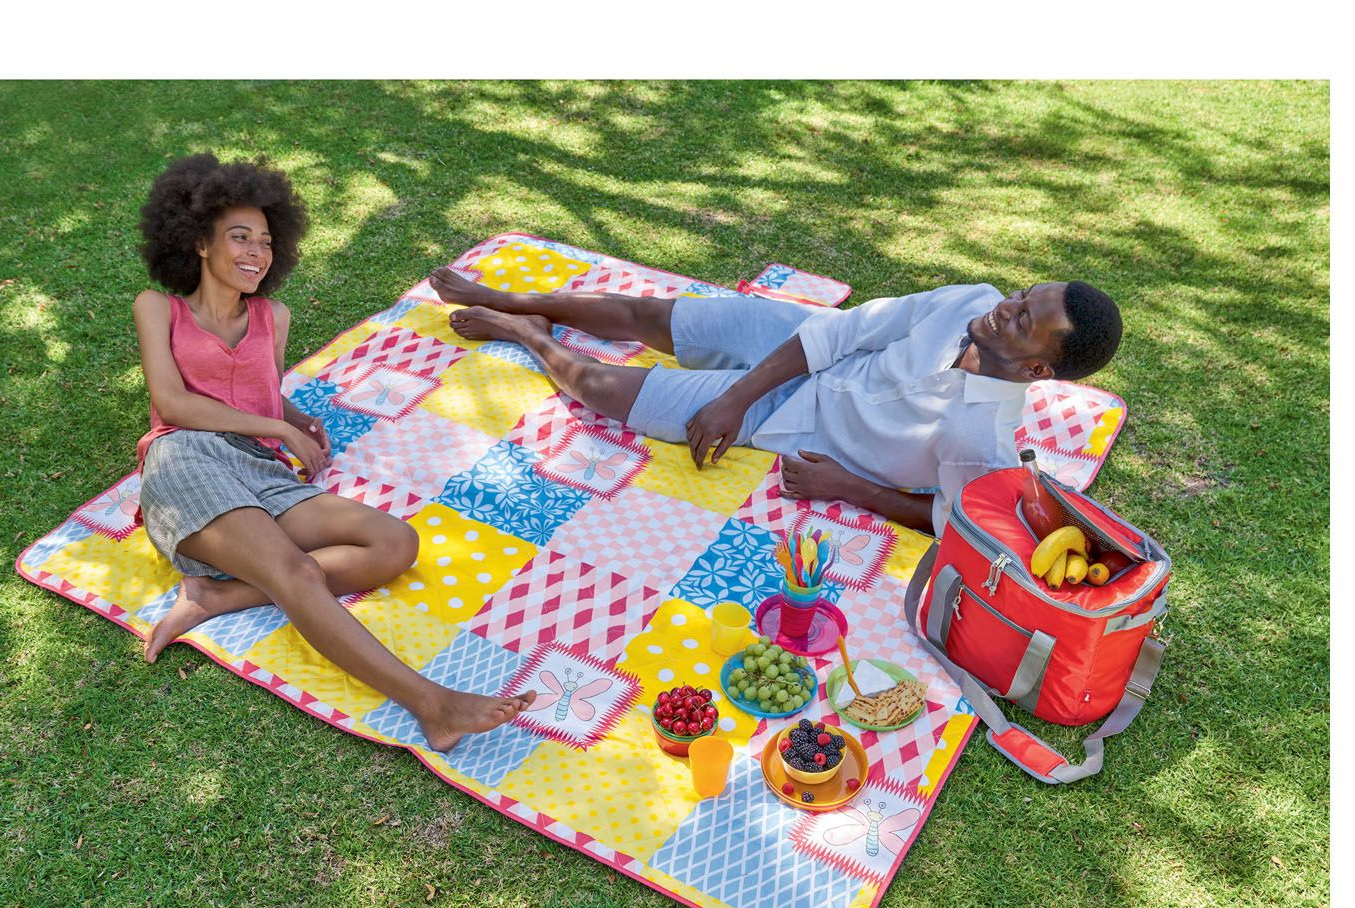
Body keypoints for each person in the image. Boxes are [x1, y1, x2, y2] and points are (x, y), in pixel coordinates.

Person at [133, 153, 533, 751]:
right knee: (294, 570)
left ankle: (217, 594)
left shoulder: (272, 316)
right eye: (239, 237)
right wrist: (279, 426)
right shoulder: (158, 308)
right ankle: (433, 703)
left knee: (395, 543)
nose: (256, 252)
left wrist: (296, 419)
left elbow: (260, 386)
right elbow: (173, 402)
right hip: (185, 457)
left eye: (266, 241)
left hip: (258, 467)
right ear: (198, 242)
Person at [425, 267, 1122, 535]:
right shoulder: (967, 302)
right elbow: (846, 329)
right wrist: (736, 395)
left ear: (1037, 367)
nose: (1004, 307)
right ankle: (510, 297)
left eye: (1022, 320)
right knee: (656, 316)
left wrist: (849, 487)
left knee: (603, 390)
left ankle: (527, 334)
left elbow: (951, 519)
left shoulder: (982, 437)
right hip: (802, 348)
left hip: (795, 420)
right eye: (1022, 295)